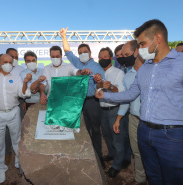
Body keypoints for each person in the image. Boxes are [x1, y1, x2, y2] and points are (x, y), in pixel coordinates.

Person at [95, 19, 183, 185]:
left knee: (174, 179)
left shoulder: (181, 62)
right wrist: (105, 96)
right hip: (144, 131)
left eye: (142, 44)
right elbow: (130, 94)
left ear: (158, 38)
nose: (139, 50)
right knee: (154, 176)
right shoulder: (145, 68)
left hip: (172, 135)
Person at [60, 27, 106, 168]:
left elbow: (103, 85)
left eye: (85, 52)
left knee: (95, 130)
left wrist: (98, 80)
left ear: (90, 53)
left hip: (92, 102)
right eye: (80, 53)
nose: (82, 54)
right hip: (78, 102)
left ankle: (98, 157)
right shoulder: (78, 63)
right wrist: (63, 37)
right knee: (81, 130)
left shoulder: (97, 66)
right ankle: (85, 155)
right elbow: (67, 52)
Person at [0, 54, 31, 183]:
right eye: (5, 61)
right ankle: (1, 168)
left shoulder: (16, 76)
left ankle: (20, 163)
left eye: (10, 62)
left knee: (16, 139)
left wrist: (25, 82)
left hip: (13, 112)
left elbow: (23, 93)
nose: (8, 64)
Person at [113, 42, 147, 185]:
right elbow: (126, 100)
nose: (124, 58)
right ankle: (140, 179)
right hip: (134, 118)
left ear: (137, 51)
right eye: (122, 55)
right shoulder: (127, 77)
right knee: (137, 152)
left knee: (153, 153)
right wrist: (118, 119)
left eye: (127, 55)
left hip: (150, 121)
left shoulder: (152, 70)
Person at [94, 47, 126, 176]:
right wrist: (99, 85)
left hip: (114, 110)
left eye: (105, 57)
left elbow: (122, 92)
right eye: (100, 57)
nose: (102, 59)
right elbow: (97, 93)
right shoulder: (98, 74)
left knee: (117, 139)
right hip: (102, 110)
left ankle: (117, 165)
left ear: (111, 58)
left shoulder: (118, 73)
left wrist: (111, 86)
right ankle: (111, 154)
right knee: (107, 136)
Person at [5, 48, 25, 165]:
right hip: (6, 104)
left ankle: (19, 154)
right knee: (7, 132)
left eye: (16, 57)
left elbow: (24, 88)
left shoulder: (21, 70)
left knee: (19, 129)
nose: (14, 59)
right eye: (12, 56)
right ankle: (8, 152)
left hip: (20, 103)